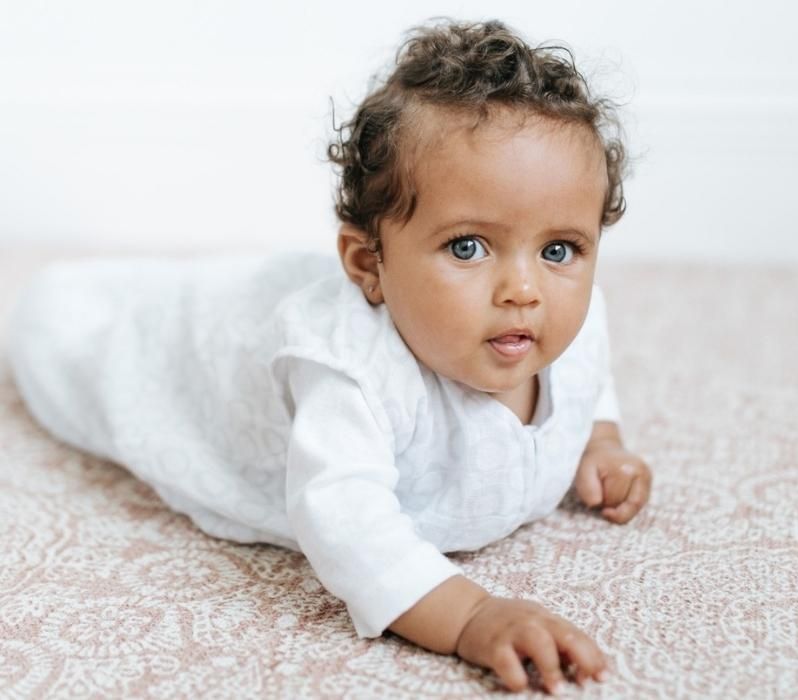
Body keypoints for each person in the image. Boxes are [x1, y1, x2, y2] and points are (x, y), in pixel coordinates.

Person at [7, 19, 651, 695]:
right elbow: (346, 523)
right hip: (198, 354)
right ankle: (90, 308)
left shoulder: (569, 321)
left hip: (279, 303)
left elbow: (588, 379)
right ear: (368, 264)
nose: (523, 290)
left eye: (558, 250)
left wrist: (598, 441)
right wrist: (472, 617)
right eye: (468, 246)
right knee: (84, 338)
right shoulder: (349, 372)